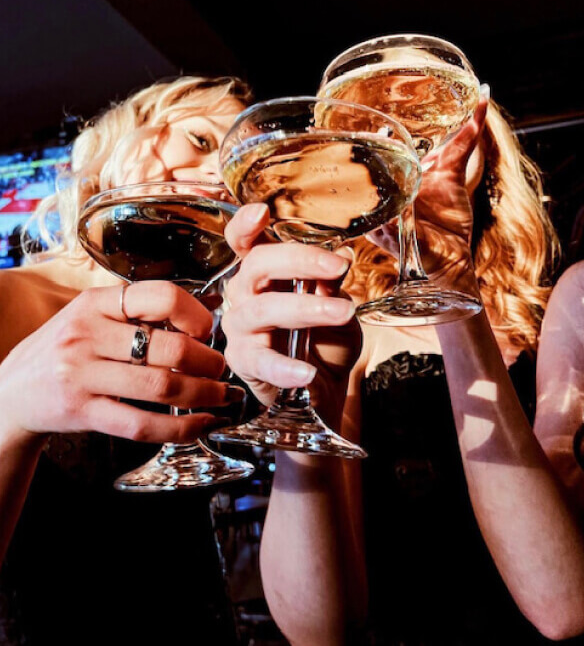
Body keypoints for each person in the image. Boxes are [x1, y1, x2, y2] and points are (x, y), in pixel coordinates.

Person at [222, 96, 584, 645]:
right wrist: (298, 408)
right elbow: (318, 630)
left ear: (481, 139)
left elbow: (565, 605)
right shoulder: (341, 321)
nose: (404, 141)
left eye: (431, 115)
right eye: (372, 128)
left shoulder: (560, 304)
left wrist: (452, 292)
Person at [0, 74, 252, 645]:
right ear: (120, 146)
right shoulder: (9, 300)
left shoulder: (223, 334)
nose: (219, 176)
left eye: (240, 170)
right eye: (202, 141)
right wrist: (11, 413)